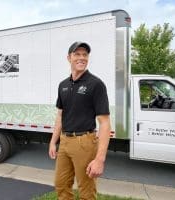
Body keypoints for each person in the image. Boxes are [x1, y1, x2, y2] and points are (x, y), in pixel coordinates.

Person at [48, 41, 111, 200]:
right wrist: (53, 141)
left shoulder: (96, 84)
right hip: (64, 142)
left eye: (85, 54)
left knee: (86, 191)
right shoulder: (62, 85)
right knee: (61, 185)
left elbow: (104, 122)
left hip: (85, 142)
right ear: (69, 58)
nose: (82, 58)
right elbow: (60, 115)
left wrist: (99, 159)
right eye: (77, 54)